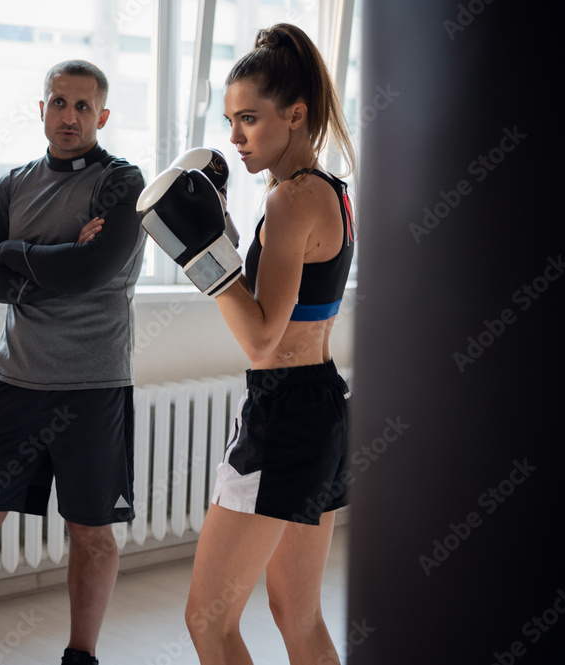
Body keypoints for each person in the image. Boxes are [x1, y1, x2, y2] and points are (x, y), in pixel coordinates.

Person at [136, 23, 356, 664]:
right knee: (298, 613)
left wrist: (207, 261)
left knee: (207, 621)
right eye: (230, 120)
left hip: (285, 409)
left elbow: (262, 339)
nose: (234, 138)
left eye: (250, 120)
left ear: (295, 114)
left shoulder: (292, 200)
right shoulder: (331, 192)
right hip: (319, 405)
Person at [0, 59, 146, 665]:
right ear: (42, 108)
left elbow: (92, 270)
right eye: (58, 102)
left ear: (101, 115)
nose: (68, 115)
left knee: (90, 533)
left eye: (82, 106)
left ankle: (81, 656)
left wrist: (14, 252)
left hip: (93, 385)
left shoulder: (121, 182)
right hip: (14, 380)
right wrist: (52, 262)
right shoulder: (14, 184)